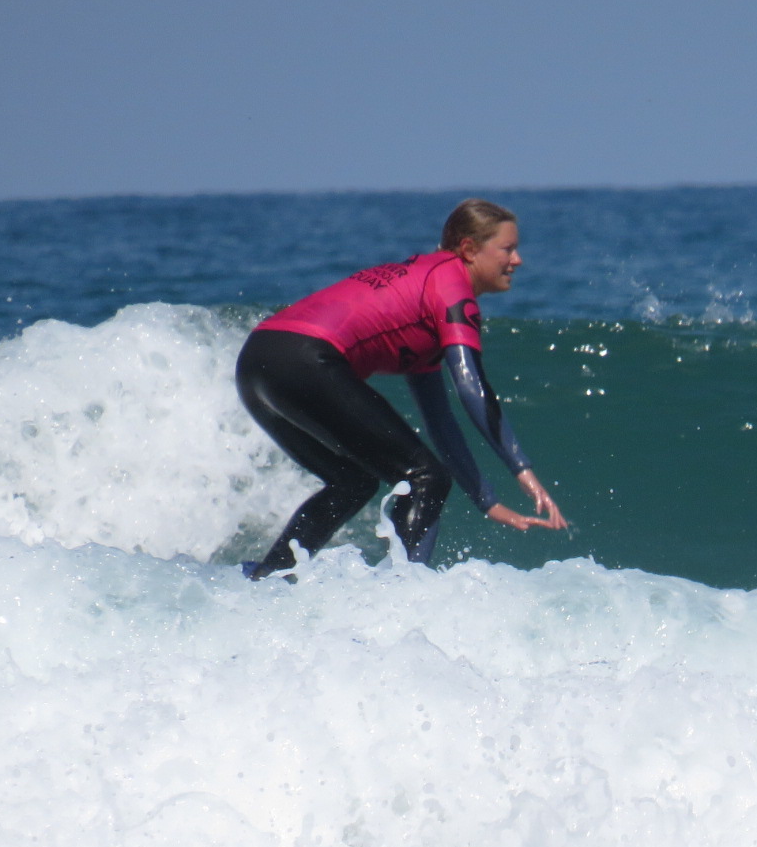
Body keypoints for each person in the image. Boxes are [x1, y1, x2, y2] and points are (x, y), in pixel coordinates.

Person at [222, 198, 567, 578]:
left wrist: (486, 501)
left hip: (258, 361)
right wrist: (522, 470)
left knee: (353, 482)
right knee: (426, 477)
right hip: (306, 357)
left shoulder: (424, 287)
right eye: (508, 249)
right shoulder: (451, 282)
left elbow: (440, 421)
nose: (517, 260)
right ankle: (402, 598)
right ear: (469, 249)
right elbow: (473, 389)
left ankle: (267, 580)